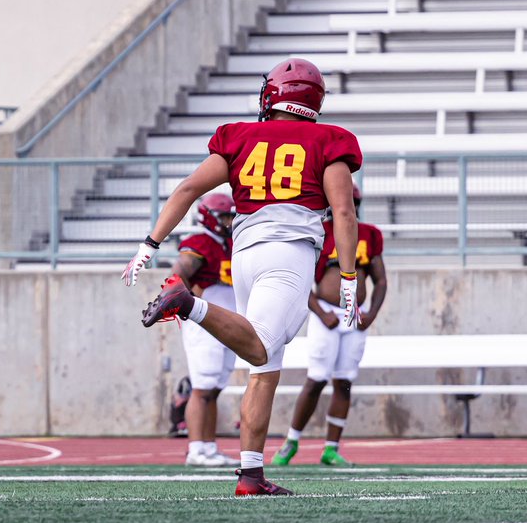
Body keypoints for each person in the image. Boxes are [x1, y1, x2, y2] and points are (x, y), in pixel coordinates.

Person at [122, 57, 362, 496]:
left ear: (273, 94)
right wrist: (347, 275)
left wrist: (149, 244)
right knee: (261, 348)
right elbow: (344, 212)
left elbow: (188, 189)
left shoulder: (240, 136)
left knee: (266, 366)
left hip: (247, 252)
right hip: (287, 253)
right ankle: (188, 303)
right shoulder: (331, 140)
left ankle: (251, 474)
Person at [273, 183, 386, 467]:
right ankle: (292, 441)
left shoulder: (369, 234)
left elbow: (380, 279)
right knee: (317, 379)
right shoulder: (319, 231)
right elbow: (299, 279)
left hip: (354, 314)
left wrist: (371, 312)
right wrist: (321, 313)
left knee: (344, 381)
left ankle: (331, 448)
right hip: (326, 313)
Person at [171, 193, 241, 468]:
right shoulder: (200, 243)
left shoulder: (229, 244)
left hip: (226, 322)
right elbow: (178, 274)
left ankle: (209, 447)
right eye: (224, 217)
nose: (229, 222)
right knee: (202, 388)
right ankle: (195, 449)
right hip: (204, 324)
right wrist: (189, 303)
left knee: (214, 388)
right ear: (209, 217)